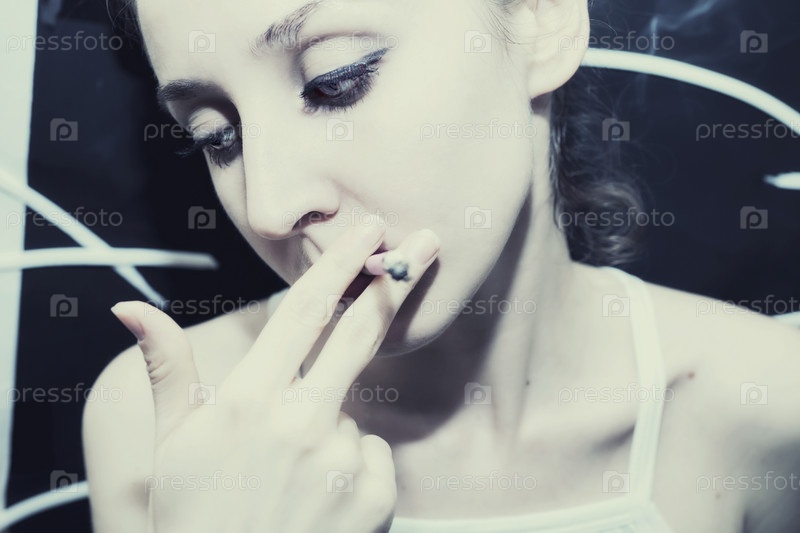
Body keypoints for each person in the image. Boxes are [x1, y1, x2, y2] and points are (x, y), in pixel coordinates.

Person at [83, 0, 800, 531]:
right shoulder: (164, 424)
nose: (270, 206)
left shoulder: (767, 406)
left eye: (335, 81)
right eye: (218, 136)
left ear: (541, 18)